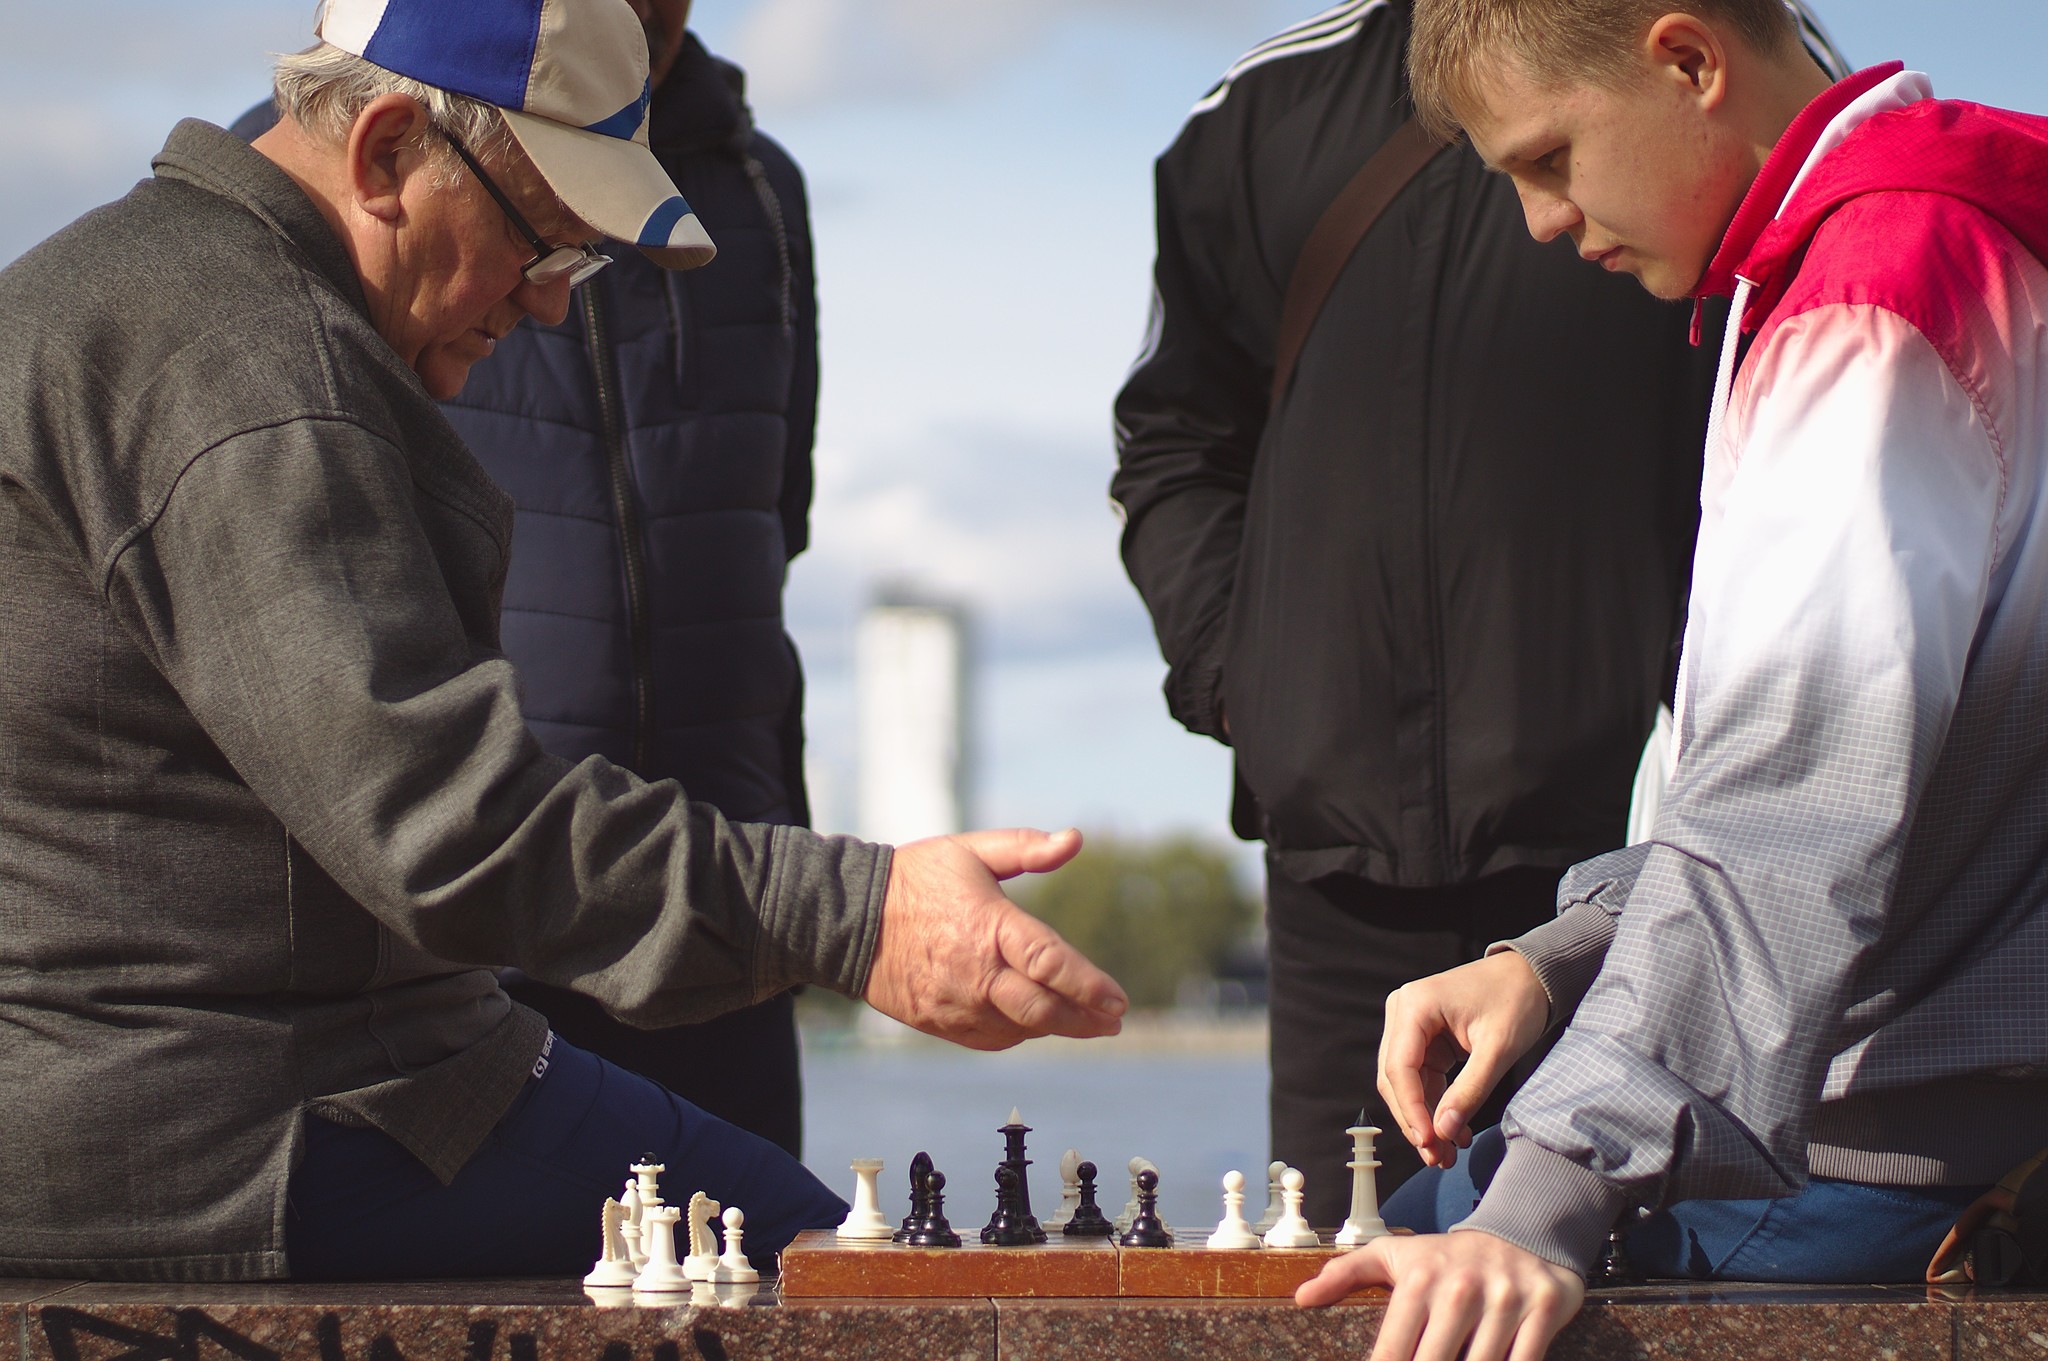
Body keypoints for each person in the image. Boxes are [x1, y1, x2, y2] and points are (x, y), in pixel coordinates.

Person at [0, 0, 1124, 1283]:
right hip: (241, 1124)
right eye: (542, 242)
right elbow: (445, 825)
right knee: (847, 1285)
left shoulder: (134, 289)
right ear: (382, 156)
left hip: (260, 1075)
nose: (546, 306)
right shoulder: (257, 372)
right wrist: (862, 917)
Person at [1296, 2, 2048, 1357]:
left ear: (1688, 60)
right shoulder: (1955, 251)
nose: (1539, 221)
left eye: (1547, 158)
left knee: (1376, 1298)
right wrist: (1562, 958)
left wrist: (1549, 1194)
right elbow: (1890, 789)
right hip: (1912, 1121)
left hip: (1872, 1166)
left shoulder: (1871, 303)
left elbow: (1792, 821)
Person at [1110, 0, 1842, 1220]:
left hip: (1622, 845)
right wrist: (1250, 685)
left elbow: (1795, 431)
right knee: (1346, 1269)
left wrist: (1675, 708)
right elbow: (1172, 434)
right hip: (1331, 860)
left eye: (1551, 165)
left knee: (1607, 1278)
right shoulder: (1255, 107)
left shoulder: (1726, 70)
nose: (1545, 211)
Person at [234, 0, 825, 1160]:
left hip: (724, 863)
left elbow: (777, 506)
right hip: (464, 902)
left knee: (748, 1266)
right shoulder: (312, 181)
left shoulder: (761, 188)